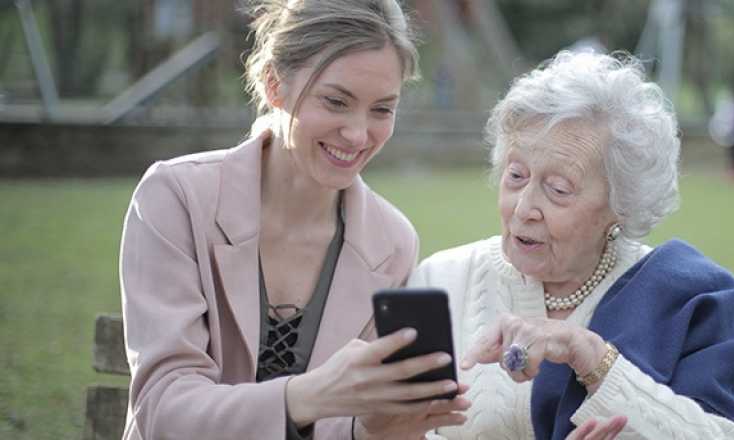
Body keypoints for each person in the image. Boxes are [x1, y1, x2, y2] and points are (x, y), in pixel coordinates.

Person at [118, 1, 471, 439]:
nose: (359, 135)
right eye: (336, 101)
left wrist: (375, 427)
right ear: (273, 85)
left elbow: (342, 426)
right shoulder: (176, 198)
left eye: (382, 109)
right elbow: (162, 410)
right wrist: (305, 395)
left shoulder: (392, 241)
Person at [402, 51, 734, 439]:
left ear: (621, 204)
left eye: (558, 189)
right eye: (515, 175)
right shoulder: (439, 281)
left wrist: (590, 357)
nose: (524, 208)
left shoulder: (689, 297)